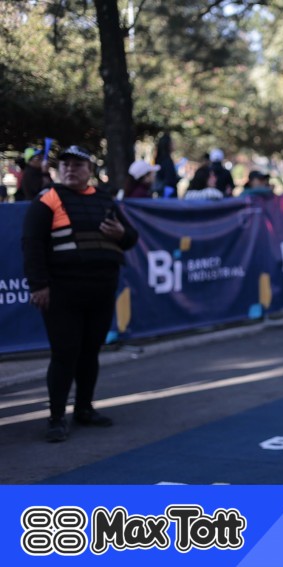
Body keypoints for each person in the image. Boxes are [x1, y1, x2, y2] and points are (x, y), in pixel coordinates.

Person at [21, 145, 138, 442]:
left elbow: (131, 238)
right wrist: (39, 286)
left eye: (78, 165)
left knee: (90, 352)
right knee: (65, 354)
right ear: (59, 169)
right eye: (66, 165)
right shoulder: (47, 199)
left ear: (90, 170)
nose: (70, 169)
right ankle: (56, 418)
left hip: (101, 290)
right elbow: (32, 245)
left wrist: (121, 234)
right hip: (63, 292)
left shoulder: (104, 199)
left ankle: (84, 409)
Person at [153, 133, 180, 198]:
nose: (174, 144)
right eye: (172, 143)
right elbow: (169, 180)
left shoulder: (161, 159)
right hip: (168, 196)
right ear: (168, 145)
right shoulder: (167, 161)